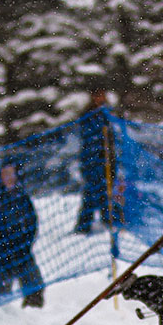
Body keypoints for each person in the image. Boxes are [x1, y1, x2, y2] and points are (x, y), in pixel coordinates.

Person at [0, 155, 45, 308]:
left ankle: (33, 311)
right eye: (5, 174)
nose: (8, 178)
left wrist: (24, 242)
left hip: (23, 250)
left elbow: (32, 224)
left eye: (11, 173)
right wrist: (1, 241)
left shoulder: (23, 199)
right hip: (2, 252)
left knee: (34, 285)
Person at [74, 87, 121, 234]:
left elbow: (112, 136)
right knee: (91, 192)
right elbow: (87, 137)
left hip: (108, 159)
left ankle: (108, 220)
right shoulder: (88, 114)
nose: (100, 98)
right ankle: (84, 225)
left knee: (106, 192)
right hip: (92, 160)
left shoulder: (108, 113)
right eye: (97, 95)